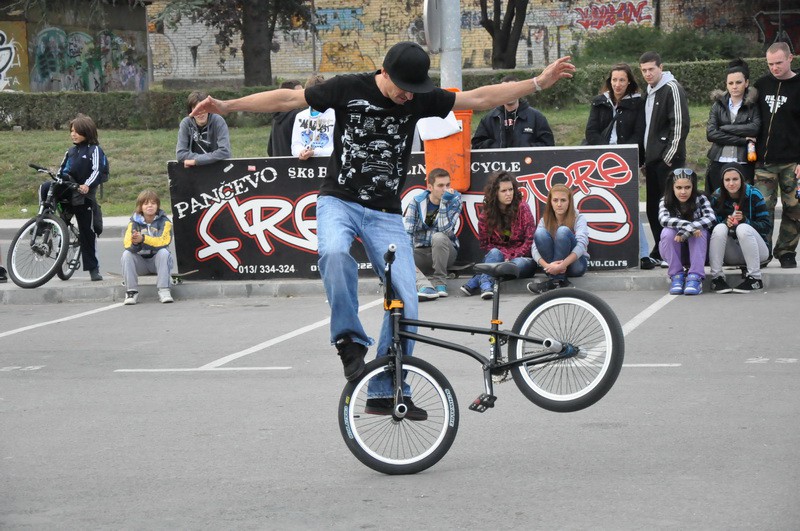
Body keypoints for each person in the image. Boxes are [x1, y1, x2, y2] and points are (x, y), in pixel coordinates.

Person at [189, 42, 575, 415]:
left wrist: (537, 82)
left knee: (407, 302)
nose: (409, 98)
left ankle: (384, 389)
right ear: (384, 74)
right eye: (403, 90)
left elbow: (478, 98)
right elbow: (288, 100)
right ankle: (349, 339)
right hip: (338, 200)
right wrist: (226, 105)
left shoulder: (420, 97)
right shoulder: (346, 87)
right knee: (334, 253)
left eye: (415, 92)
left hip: (385, 214)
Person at [583, 63, 658, 269]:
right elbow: (591, 132)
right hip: (599, 161)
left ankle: (643, 254)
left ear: (629, 82)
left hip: (625, 161)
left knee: (629, 205)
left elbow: (638, 133)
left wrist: (621, 154)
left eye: (622, 80)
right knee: (599, 203)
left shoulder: (637, 103)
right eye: (614, 80)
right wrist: (606, 153)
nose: (617, 84)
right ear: (609, 81)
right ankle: (598, 253)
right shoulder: (599, 102)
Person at [640, 51, 690, 264]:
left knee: (670, 206)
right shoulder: (649, 91)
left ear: (661, 67)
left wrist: (668, 157)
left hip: (668, 161)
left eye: (651, 69)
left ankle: (675, 251)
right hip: (651, 162)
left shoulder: (672, 88)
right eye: (644, 70)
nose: (648, 74)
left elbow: (680, 124)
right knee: (653, 208)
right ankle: (661, 248)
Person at [753, 41, 800, 269]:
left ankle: (786, 251)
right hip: (764, 162)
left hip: (793, 162)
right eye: (770, 64)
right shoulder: (761, 85)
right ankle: (762, 252)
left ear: (791, 58)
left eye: (779, 63)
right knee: (763, 209)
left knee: (795, 208)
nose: (774, 68)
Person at [47, 113, 108, 282]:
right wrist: (59, 179)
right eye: (71, 131)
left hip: (84, 196)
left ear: (87, 132)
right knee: (46, 187)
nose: (72, 134)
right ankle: (45, 220)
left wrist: (86, 185)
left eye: (76, 131)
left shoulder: (95, 150)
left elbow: (97, 171)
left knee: (87, 232)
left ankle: (93, 268)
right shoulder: (71, 151)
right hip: (68, 191)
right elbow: (62, 171)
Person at [460, 171, 536, 300]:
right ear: (495, 193)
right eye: (504, 191)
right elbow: (485, 244)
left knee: (515, 265)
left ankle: (480, 280)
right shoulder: (486, 215)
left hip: (521, 259)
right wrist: (503, 257)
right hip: (498, 257)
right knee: (494, 253)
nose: (508, 194)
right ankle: (486, 284)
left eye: (511, 189)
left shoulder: (523, 208)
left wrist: (511, 256)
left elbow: (530, 240)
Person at [708, 164, 771, 293]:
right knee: (719, 228)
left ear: (742, 179)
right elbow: (710, 229)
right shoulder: (716, 196)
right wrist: (726, 223)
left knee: (743, 228)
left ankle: (755, 278)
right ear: (722, 181)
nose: (731, 183)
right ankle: (717, 278)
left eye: (735, 179)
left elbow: (766, 227)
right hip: (732, 253)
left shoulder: (754, 194)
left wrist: (745, 221)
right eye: (727, 180)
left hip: (758, 252)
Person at [403, 168, 462, 300]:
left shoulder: (455, 199)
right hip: (421, 252)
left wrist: (443, 203)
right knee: (399, 252)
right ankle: (425, 286)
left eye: (448, 185)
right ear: (430, 187)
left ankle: (440, 282)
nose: (445, 189)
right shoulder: (417, 201)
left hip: (446, 253)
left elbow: (445, 230)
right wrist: (408, 259)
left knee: (439, 237)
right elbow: (408, 233)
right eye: (440, 185)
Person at [705, 58, 760, 193]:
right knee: (718, 203)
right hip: (718, 160)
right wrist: (743, 140)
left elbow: (754, 128)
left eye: (738, 82)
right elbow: (711, 134)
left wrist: (724, 128)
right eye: (730, 83)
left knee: (742, 202)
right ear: (726, 84)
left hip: (743, 162)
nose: (734, 86)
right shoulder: (717, 105)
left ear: (746, 83)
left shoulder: (753, 106)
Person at [658, 168, 715, 296]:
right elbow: (663, 219)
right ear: (672, 187)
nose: (683, 192)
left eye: (687, 187)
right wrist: (690, 227)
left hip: (698, 253)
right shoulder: (665, 200)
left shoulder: (701, 198)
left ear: (693, 187)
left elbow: (711, 218)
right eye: (678, 187)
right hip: (674, 252)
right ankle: (676, 275)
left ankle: (695, 276)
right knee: (667, 232)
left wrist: (687, 231)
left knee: (700, 232)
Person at [526, 184, 589, 294]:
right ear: (550, 202)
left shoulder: (578, 217)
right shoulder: (544, 220)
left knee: (563, 231)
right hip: (551, 267)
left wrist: (562, 266)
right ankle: (559, 281)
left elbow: (581, 244)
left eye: (563, 200)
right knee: (539, 233)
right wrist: (548, 267)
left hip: (575, 265)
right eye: (555, 200)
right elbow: (534, 248)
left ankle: (553, 281)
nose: (559, 204)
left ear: (569, 202)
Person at [471, 75, 555, 148]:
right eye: (505, 90)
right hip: (499, 165)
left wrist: (525, 150)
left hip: (528, 165)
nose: (508, 94)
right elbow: (477, 145)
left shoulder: (536, 117)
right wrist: (498, 149)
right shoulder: (489, 119)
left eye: (512, 90)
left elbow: (548, 145)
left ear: (520, 91)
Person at [121, 190, 174, 305]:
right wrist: (135, 243)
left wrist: (143, 239)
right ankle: (131, 291)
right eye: (146, 203)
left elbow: (163, 241)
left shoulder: (165, 222)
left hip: (158, 263)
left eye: (153, 203)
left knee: (164, 252)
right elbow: (127, 244)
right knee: (127, 254)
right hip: (141, 264)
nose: (150, 206)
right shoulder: (133, 223)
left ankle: (164, 290)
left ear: (157, 206)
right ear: (140, 207)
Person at [176, 90, 231, 168]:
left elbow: (225, 152)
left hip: (217, 168)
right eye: (196, 108)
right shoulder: (186, 123)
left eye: (203, 108)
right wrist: (205, 160)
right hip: (194, 170)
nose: (200, 113)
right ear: (190, 111)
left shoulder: (218, 121)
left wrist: (196, 161)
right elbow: (180, 154)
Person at [290, 74, 335, 161]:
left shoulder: (335, 115)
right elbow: (295, 145)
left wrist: (315, 152)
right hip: (305, 168)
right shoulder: (300, 116)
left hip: (328, 165)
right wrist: (301, 152)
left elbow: (337, 148)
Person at [268, 80, 303, 157]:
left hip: (278, 163)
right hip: (294, 165)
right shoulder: (298, 115)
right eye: (299, 94)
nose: (303, 96)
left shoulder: (276, 116)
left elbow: (270, 149)